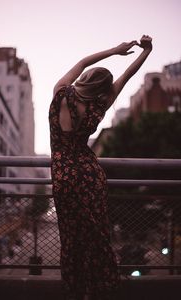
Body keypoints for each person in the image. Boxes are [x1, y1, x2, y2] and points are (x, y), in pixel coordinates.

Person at [49, 35, 152, 300]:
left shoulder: (61, 92)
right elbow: (127, 76)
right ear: (102, 90)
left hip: (64, 174)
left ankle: (76, 289)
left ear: (84, 80)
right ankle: (100, 288)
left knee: (72, 236)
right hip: (90, 173)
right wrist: (146, 52)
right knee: (96, 233)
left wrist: (115, 51)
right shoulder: (99, 106)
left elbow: (83, 61)